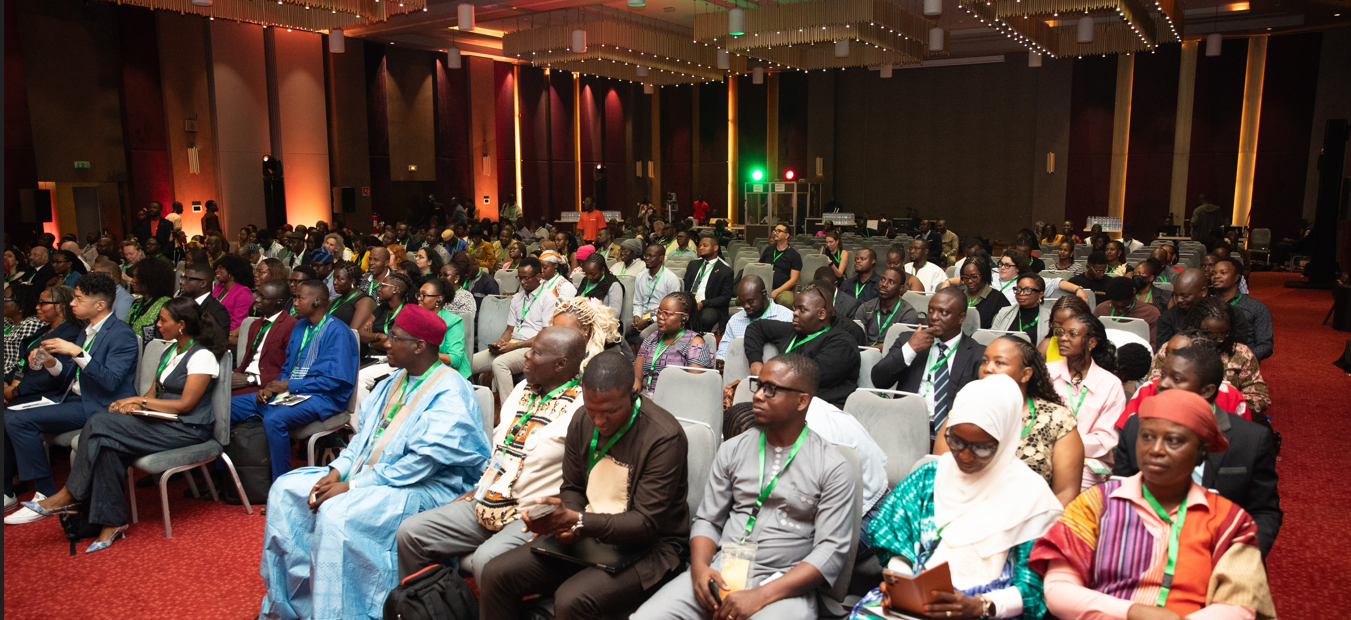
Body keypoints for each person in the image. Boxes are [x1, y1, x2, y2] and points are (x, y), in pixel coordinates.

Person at [259, 305, 491, 620]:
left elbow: (419, 466)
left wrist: (352, 486)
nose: (386, 343)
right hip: (369, 473)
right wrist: (336, 471)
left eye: (394, 337)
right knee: (286, 489)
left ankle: (344, 612)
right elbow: (362, 440)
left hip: (427, 488)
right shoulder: (393, 381)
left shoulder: (450, 392)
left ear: (419, 346)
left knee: (338, 512)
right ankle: (294, 606)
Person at [631, 355, 855, 620]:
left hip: (783, 587)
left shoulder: (832, 467)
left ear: (802, 401)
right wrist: (700, 570)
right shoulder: (733, 450)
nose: (758, 396)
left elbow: (830, 551)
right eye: (758, 386)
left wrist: (761, 595)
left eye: (771, 389)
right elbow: (708, 521)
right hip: (721, 571)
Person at [1032, 389, 1277, 620]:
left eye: (1173, 440)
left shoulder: (1229, 520)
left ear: (1201, 452)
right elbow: (1058, 590)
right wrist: (1133, 612)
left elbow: (1239, 607)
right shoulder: (1096, 505)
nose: (1156, 450)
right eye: (1147, 437)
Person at [480, 352, 691, 619]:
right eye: (593, 410)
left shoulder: (663, 437)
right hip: (592, 533)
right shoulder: (581, 420)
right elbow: (573, 488)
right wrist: (567, 523)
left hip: (651, 548)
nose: (599, 421)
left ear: (632, 393)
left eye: (610, 412)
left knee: (572, 600)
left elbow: (645, 524)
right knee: (496, 573)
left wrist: (579, 522)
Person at [7, 297, 227, 537]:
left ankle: (70, 494)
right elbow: (152, 394)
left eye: (163, 320)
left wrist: (138, 402)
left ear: (181, 324)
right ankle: (112, 523)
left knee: (99, 421)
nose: (158, 325)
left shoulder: (202, 356)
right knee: (106, 444)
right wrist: (134, 405)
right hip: (163, 422)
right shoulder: (170, 351)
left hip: (188, 428)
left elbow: (185, 405)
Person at [854, 374, 1064, 620]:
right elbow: (895, 539)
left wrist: (980, 607)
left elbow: (1034, 589)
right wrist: (904, 583)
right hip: (925, 596)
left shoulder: (1032, 496)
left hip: (990, 605)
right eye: (956, 441)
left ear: (1005, 440)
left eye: (981, 447)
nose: (964, 456)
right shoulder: (930, 478)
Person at [397, 327, 586, 582]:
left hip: (530, 513)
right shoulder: (522, 390)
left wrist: (559, 516)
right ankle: (429, 601)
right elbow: (504, 448)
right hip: (489, 499)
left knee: (487, 560)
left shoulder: (583, 408)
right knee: (411, 532)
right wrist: (482, 487)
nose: (526, 355)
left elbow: (585, 479)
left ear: (561, 364)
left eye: (536, 352)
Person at [1113, 339, 1281, 556]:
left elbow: (1264, 512)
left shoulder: (1250, 439)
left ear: (1207, 390)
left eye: (1176, 379)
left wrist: (1241, 557)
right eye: (1163, 376)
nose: (1162, 384)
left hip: (1219, 551)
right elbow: (1120, 496)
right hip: (1144, 548)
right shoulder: (1136, 428)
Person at [4, 273, 139, 505]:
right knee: (9, 415)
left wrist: (77, 352)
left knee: (16, 419)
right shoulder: (86, 330)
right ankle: (12, 490)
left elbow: (111, 382)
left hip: (99, 404)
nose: (72, 303)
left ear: (100, 305)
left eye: (78, 299)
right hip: (71, 398)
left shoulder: (121, 334)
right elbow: (70, 376)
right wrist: (50, 362)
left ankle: (45, 490)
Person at [229, 280, 359, 481]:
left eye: (300, 298)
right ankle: (227, 479)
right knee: (228, 406)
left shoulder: (338, 332)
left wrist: (288, 385)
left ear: (316, 301)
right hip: (291, 392)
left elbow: (333, 382)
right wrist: (271, 388)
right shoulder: (300, 326)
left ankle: (280, 484)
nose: (294, 303)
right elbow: (288, 368)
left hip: (324, 398)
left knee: (274, 419)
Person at [935, 336, 1084, 506]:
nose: (987, 368)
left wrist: (1038, 520)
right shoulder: (965, 409)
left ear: (1025, 374)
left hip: (1032, 517)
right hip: (962, 510)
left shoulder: (1057, 419)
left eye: (1000, 363)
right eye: (985, 361)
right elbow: (940, 471)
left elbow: (1066, 492)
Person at [872, 288, 985, 440]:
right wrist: (910, 349)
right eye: (931, 310)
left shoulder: (978, 354)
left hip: (952, 436)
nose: (934, 317)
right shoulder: (908, 340)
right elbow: (878, 380)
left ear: (961, 317)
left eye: (943, 312)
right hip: (905, 430)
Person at [745, 283, 863, 408]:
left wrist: (769, 372)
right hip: (787, 404)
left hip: (823, 408)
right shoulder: (795, 330)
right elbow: (756, 327)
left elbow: (812, 375)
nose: (794, 313)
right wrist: (755, 362)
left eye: (802, 310)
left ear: (821, 314)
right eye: (795, 308)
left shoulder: (843, 343)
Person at [1047, 313, 1124, 490]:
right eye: (1061, 332)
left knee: (1074, 492)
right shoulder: (1046, 374)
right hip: (1045, 455)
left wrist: (1063, 445)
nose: (1063, 338)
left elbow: (1105, 438)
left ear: (1091, 343)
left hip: (1087, 462)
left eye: (1072, 334)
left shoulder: (1110, 384)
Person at [1150, 303, 1270, 416]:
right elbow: (1152, 387)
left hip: (1227, 418)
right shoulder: (1172, 348)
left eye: (1220, 335)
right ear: (1194, 327)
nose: (1211, 340)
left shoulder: (1241, 353)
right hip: (1174, 413)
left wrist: (1222, 402)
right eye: (1205, 333)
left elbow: (1260, 399)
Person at [471, 258, 560, 404]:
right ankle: (472, 404)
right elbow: (509, 329)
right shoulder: (517, 298)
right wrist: (501, 342)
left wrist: (517, 345)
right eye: (520, 278)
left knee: (499, 364)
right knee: (469, 363)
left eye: (526, 278)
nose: (522, 282)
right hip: (513, 344)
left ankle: (509, 410)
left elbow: (545, 335)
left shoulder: (548, 299)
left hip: (533, 348)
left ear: (538, 276)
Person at [3, 285, 82, 406]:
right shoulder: (44, 330)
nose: (37, 307)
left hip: (40, 395)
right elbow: (22, 363)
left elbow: (58, 377)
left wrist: (17, 391)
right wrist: (5, 383)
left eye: (42, 303)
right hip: (19, 387)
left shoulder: (71, 334)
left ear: (60, 306)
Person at [636, 292, 711, 397]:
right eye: (659, 312)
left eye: (667, 314)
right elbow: (637, 378)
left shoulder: (695, 343)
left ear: (684, 318)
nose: (660, 317)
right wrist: (633, 398)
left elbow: (695, 386)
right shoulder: (651, 338)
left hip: (676, 402)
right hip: (645, 400)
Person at [231, 280, 298, 397]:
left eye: (263, 297)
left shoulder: (290, 325)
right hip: (245, 379)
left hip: (265, 386)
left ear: (278, 302)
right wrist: (228, 374)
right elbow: (246, 363)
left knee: (221, 399)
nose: (257, 300)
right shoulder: (255, 325)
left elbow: (289, 371)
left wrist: (253, 379)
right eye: (258, 295)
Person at [717, 275, 793, 364]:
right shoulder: (735, 320)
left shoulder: (786, 317)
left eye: (751, 301)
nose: (746, 306)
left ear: (764, 294)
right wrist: (720, 361)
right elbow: (723, 351)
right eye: (742, 302)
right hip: (738, 370)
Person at [1211, 256, 1272, 362]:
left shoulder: (1256, 307)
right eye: (1214, 273)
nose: (1216, 276)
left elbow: (1266, 345)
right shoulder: (1205, 305)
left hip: (1243, 362)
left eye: (1223, 273)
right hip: (1209, 362)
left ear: (1237, 277)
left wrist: (1240, 358)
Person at [550, 296, 630, 366]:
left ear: (585, 330)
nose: (557, 337)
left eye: (564, 332)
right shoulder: (560, 352)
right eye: (555, 331)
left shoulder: (607, 361)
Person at [415, 278, 471, 378]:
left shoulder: (452, 321)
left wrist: (423, 355)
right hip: (425, 371)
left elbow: (455, 359)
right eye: (419, 294)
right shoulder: (416, 319)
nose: (419, 298)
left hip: (451, 375)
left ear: (439, 299)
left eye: (424, 295)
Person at [628, 243, 682, 345]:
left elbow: (671, 310)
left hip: (662, 319)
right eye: (646, 255)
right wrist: (637, 316)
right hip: (643, 316)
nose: (647, 259)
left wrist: (649, 321)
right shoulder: (640, 276)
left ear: (661, 258)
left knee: (644, 335)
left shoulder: (671, 279)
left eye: (651, 256)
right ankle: (629, 355)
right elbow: (638, 302)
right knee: (617, 328)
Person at [854, 267, 920, 348]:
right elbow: (857, 337)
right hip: (863, 352)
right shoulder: (865, 308)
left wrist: (869, 349)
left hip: (893, 354)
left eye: (891, 282)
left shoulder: (908, 313)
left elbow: (901, 344)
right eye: (882, 279)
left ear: (901, 288)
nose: (884, 284)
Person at [685, 233, 735, 332]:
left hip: (710, 306)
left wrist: (703, 303)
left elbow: (725, 298)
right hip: (690, 302)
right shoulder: (693, 265)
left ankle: (697, 337)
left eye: (705, 245)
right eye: (700, 246)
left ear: (715, 248)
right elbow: (686, 287)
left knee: (706, 318)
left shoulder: (725, 271)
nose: (701, 248)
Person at [947, 253, 1011, 330]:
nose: (970, 281)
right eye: (965, 277)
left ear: (983, 275)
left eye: (974, 277)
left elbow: (998, 330)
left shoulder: (998, 299)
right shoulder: (958, 297)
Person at [992, 274, 1052, 344]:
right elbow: (992, 339)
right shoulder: (1004, 312)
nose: (1021, 293)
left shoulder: (1051, 317)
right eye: (1019, 289)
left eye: (1027, 290)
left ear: (1040, 294)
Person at [759, 223, 802, 306]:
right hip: (764, 287)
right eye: (775, 231)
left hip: (783, 290)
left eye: (779, 231)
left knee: (786, 301)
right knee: (741, 299)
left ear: (786, 235)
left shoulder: (794, 255)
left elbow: (793, 280)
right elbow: (759, 268)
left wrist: (776, 291)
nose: (775, 233)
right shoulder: (768, 250)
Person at [327, 261, 376, 332]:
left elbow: (353, 332)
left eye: (339, 279)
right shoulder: (337, 299)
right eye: (334, 278)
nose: (334, 282)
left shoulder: (364, 301)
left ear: (353, 281)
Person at [577, 253, 625, 324]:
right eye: (586, 273)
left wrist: (594, 323)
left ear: (602, 270)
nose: (589, 277)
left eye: (593, 274)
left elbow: (615, 315)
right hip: (582, 321)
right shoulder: (585, 280)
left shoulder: (613, 285)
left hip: (604, 324)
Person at [212, 254, 255, 332]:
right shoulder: (218, 288)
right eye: (216, 268)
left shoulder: (243, 292)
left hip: (227, 334)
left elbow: (239, 322)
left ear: (231, 271)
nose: (216, 271)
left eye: (220, 268)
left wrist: (220, 334)